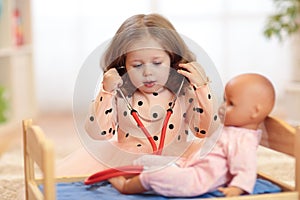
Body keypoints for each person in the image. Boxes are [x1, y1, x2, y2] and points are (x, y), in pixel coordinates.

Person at [108, 73, 276, 197]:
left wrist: (237, 189)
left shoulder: (243, 140)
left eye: (231, 103)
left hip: (198, 178)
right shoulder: (232, 129)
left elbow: (246, 168)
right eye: (224, 100)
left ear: (255, 112)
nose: (223, 107)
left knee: (157, 174)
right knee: (147, 160)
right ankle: (136, 172)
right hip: (191, 164)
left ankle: (127, 187)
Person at [84, 13, 219, 157]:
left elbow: (208, 130)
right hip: (132, 165)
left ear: (173, 60)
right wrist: (106, 92)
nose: (148, 72)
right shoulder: (119, 95)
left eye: (157, 63)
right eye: (137, 65)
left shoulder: (185, 93)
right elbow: (96, 133)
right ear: (123, 66)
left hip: (174, 164)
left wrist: (202, 88)